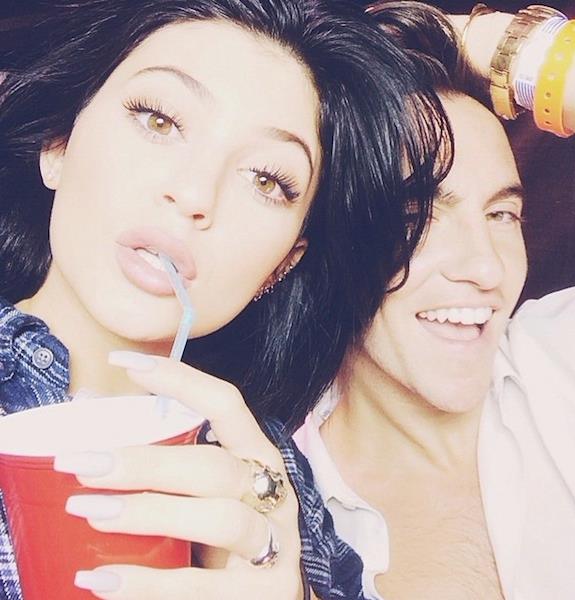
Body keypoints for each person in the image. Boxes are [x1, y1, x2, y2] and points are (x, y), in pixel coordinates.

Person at [0, 1, 455, 598]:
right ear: (59, 144)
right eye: (159, 120)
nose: (195, 194)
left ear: (284, 263)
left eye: (266, 180)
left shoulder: (268, 476)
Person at [294, 3, 575, 599]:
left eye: (501, 214)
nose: (486, 268)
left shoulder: (574, 355)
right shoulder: (273, 506)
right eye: (418, 215)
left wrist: (489, 43)